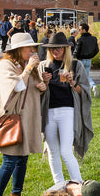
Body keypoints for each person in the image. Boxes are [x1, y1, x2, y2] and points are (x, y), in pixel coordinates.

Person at [0, 32, 46, 196]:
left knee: (22, 159)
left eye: (34, 47)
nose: (33, 50)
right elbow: (16, 87)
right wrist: (29, 68)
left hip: (27, 118)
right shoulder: (6, 65)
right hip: (12, 119)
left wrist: (43, 84)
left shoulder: (26, 65)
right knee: (10, 161)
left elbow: (32, 88)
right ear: (18, 49)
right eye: (29, 48)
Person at [39, 31, 93, 185]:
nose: (55, 52)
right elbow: (39, 92)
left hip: (67, 111)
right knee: (52, 151)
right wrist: (45, 83)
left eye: (59, 48)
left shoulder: (75, 65)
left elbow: (84, 92)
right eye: (52, 49)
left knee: (66, 151)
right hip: (48, 112)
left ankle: (79, 184)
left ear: (66, 49)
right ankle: (59, 185)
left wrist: (72, 82)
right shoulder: (44, 66)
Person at [74, 23, 99, 98]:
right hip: (89, 60)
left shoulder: (80, 39)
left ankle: (86, 88)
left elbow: (77, 50)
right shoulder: (94, 38)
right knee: (86, 76)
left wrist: (73, 57)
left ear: (84, 30)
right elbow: (96, 50)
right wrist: (91, 56)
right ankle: (90, 87)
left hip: (81, 60)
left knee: (78, 76)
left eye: (80, 29)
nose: (79, 31)